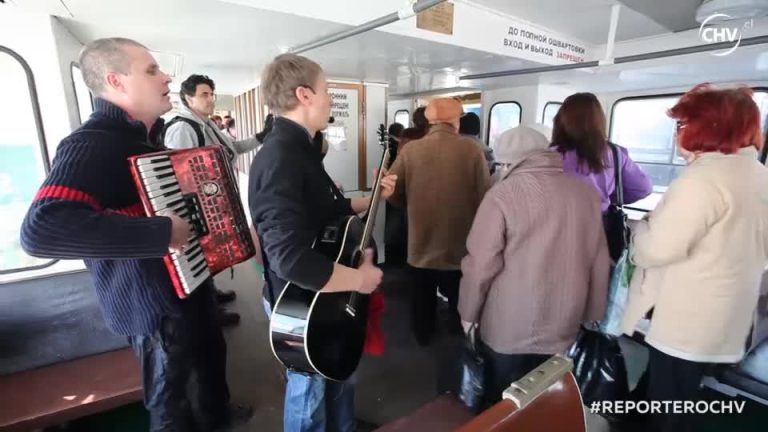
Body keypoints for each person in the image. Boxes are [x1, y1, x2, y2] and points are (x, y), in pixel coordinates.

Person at [19, 37, 251, 432]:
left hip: (188, 287)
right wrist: (159, 233)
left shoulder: (146, 139)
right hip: (153, 309)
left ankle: (219, 417)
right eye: (151, 70)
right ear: (116, 81)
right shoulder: (90, 144)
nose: (166, 77)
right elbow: (42, 228)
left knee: (211, 361)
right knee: (172, 406)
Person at [248, 53, 396, 432]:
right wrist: (359, 281)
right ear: (304, 95)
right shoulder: (281, 156)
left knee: (336, 366)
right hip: (302, 296)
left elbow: (330, 206)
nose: (330, 98)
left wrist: (373, 196)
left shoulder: (302, 149)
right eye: (327, 90)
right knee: (309, 386)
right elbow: (290, 259)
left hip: (323, 289)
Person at [621, 84, 768, 432]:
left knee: (670, 408)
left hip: (687, 323)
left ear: (707, 128)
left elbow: (655, 251)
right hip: (729, 315)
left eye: (682, 124)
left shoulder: (703, 181)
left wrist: (640, 229)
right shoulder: (759, 175)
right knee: (685, 397)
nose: (678, 134)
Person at [459, 126, 610, 407]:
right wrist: (592, 312)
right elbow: (599, 258)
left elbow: (480, 264)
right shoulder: (586, 192)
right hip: (565, 319)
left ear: (507, 163)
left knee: (504, 402)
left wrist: (468, 312)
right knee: (548, 398)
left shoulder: (501, 195)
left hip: (508, 324)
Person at [386, 97, 491, 346]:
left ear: (430, 120)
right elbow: (485, 196)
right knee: (458, 293)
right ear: (456, 120)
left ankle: (423, 336)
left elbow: (393, 193)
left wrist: (410, 207)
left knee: (421, 294)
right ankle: (458, 336)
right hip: (460, 242)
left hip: (421, 242)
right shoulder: (472, 150)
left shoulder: (411, 150)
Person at [163, 74, 263, 327]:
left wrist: (262, 137)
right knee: (203, 251)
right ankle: (208, 311)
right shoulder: (183, 128)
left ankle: (212, 295)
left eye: (212, 94)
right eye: (204, 95)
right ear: (188, 98)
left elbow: (234, 149)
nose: (210, 99)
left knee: (214, 251)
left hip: (216, 201)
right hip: (199, 207)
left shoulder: (207, 125)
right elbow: (179, 173)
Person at [551, 93, 652, 258]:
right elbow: (643, 188)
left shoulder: (547, 156)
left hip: (556, 227)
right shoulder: (614, 153)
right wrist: (608, 197)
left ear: (561, 120)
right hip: (599, 229)